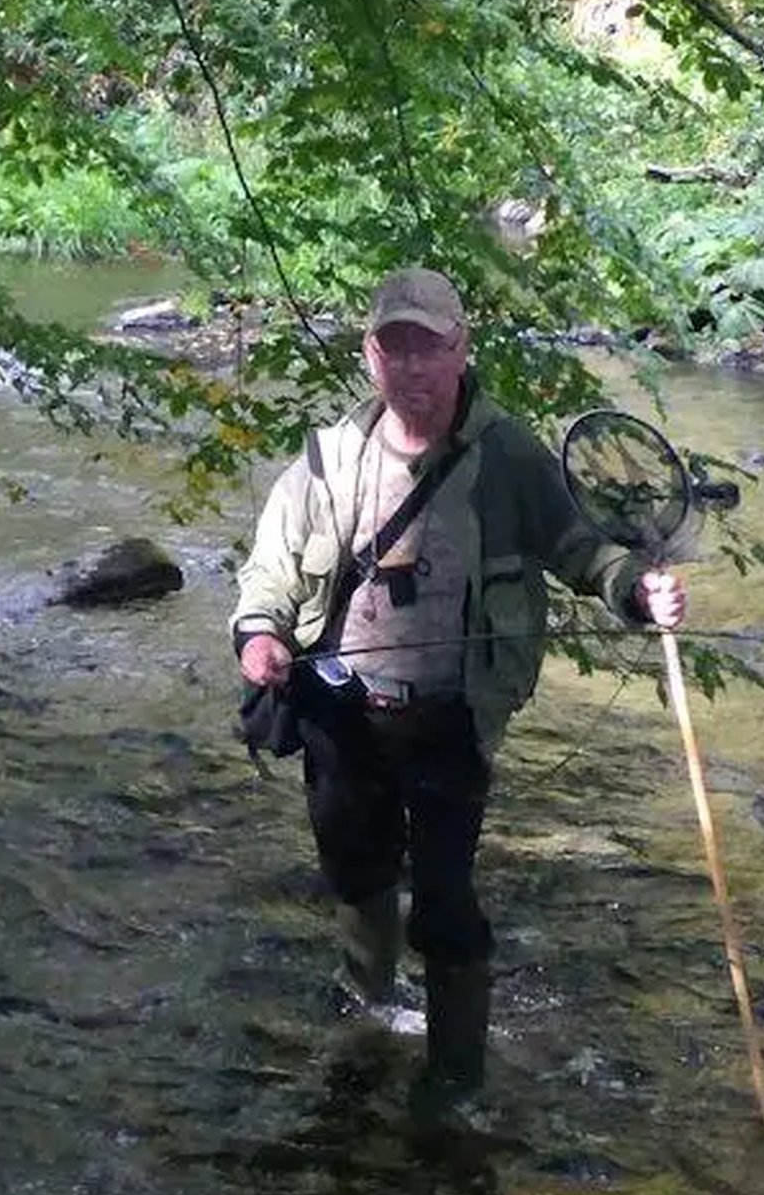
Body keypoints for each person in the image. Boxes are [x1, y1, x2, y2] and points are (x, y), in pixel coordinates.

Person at [230, 266, 686, 1116]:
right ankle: (368, 1022)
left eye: (429, 347)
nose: (412, 367)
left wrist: (637, 590)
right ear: (370, 356)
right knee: (356, 876)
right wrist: (259, 635)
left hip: (451, 721)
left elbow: (582, 549)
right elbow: (270, 570)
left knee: (446, 905)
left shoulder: (508, 456)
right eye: (394, 348)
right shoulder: (328, 459)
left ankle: (456, 1085)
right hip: (340, 716)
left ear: (461, 350)